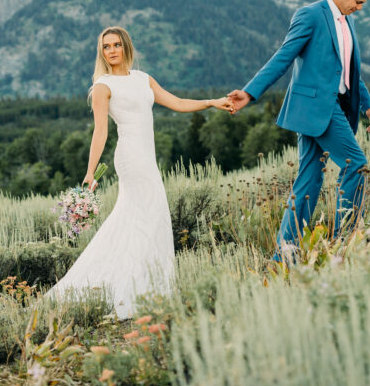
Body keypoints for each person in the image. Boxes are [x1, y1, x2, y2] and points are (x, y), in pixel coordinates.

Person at [46, 26, 233, 319]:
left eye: (116, 44)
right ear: (102, 53)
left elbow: (177, 103)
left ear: (126, 47)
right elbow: (101, 131)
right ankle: (130, 289)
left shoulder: (143, 78)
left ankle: (143, 286)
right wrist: (89, 173)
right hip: (131, 159)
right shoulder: (102, 86)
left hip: (147, 157)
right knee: (147, 215)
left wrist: (211, 102)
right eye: (106, 46)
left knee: (144, 218)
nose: (112, 50)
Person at [227, 0, 370, 260]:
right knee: (356, 165)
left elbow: (350, 70)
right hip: (316, 108)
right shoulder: (310, 15)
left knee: (309, 179)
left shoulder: (347, 21)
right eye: (358, 2)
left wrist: (367, 104)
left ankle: (284, 253)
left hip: (334, 107)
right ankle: (342, 244)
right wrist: (249, 92)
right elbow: (284, 55)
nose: (359, 9)